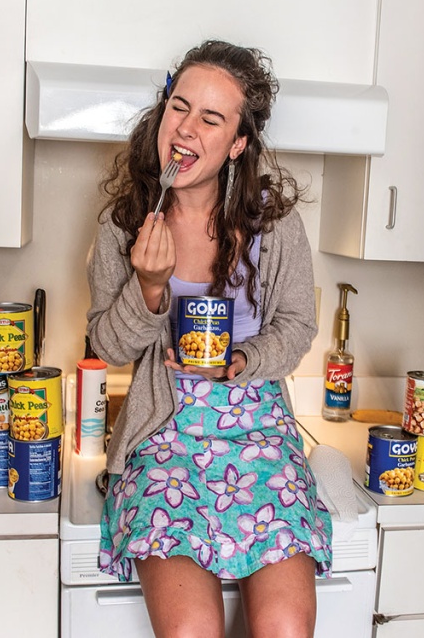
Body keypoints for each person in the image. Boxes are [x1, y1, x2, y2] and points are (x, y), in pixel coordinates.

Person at [85, 39, 331, 637]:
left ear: (238, 143)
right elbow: (107, 347)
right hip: (164, 436)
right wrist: (147, 289)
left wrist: (243, 358)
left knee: (286, 630)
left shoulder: (273, 223)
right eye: (179, 107)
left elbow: (298, 324)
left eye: (211, 118)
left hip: (260, 435)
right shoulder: (125, 223)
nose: (186, 129)